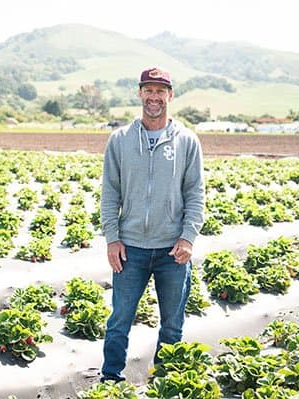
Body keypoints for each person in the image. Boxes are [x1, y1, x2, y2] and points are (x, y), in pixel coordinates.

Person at [99, 66, 206, 382]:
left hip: (172, 251)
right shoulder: (120, 140)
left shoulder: (187, 141)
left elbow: (195, 194)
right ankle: (111, 377)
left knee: (172, 322)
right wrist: (112, 238)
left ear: (170, 95)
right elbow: (110, 193)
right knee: (119, 319)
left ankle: (164, 380)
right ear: (140, 93)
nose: (154, 97)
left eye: (160, 91)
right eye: (149, 90)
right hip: (130, 248)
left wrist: (188, 237)